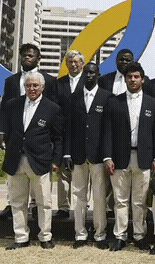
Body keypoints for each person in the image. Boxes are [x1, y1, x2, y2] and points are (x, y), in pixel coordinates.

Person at [102, 62, 155, 251]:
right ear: (125, 79)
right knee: (120, 200)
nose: (133, 80)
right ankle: (119, 236)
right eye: (130, 77)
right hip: (119, 158)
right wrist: (107, 157)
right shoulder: (114, 102)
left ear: (142, 80)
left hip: (144, 158)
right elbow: (107, 132)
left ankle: (139, 235)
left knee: (139, 201)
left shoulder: (153, 103)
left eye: (136, 76)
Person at [0, 72, 63, 250]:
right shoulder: (13, 105)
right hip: (16, 159)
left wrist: (56, 160)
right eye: (28, 85)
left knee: (44, 202)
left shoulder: (52, 108)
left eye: (35, 85)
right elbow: (6, 127)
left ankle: (45, 236)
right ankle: (21, 237)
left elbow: (58, 138)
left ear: (42, 87)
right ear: (24, 87)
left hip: (40, 161)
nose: (32, 89)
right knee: (17, 202)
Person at [0, 43, 56, 220]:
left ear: (38, 58)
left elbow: (53, 109)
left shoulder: (49, 81)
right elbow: (4, 108)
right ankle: (11, 204)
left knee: (38, 171)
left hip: (39, 134)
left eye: (31, 55)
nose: (27, 58)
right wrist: (1, 132)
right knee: (14, 171)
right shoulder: (11, 81)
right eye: (24, 55)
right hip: (16, 133)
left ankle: (37, 206)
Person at [67, 63, 113, 249]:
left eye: (92, 72)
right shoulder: (74, 97)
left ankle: (100, 234)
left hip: (98, 156)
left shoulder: (107, 97)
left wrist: (107, 155)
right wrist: (67, 153)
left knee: (100, 197)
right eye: (86, 72)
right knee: (79, 197)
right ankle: (80, 235)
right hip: (78, 156)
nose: (88, 75)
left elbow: (108, 130)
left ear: (98, 75)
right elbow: (68, 128)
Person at [53, 49, 86, 220]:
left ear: (82, 64)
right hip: (63, 131)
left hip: (83, 133)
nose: (73, 64)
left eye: (76, 61)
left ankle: (83, 205)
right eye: (70, 62)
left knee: (82, 172)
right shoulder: (59, 84)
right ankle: (63, 207)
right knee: (63, 173)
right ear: (66, 64)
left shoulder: (89, 82)